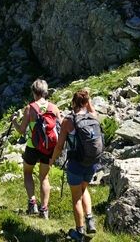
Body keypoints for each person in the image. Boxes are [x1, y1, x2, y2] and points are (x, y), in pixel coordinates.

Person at [49, 89, 99, 241]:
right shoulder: (94, 117)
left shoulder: (68, 121)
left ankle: (80, 232)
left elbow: (59, 146)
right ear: (86, 102)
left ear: (73, 103)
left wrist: (51, 161)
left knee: (76, 198)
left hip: (76, 164)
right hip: (92, 163)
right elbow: (92, 110)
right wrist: (88, 101)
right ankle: (89, 219)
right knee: (84, 189)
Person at [10, 79, 56, 219]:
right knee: (44, 177)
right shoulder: (53, 108)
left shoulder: (30, 108)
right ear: (45, 92)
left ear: (34, 92)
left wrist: (14, 122)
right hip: (48, 147)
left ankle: (32, 203)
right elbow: (58, 127)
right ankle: (44, 210)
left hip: (32, 146)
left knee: (28, 173)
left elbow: (21, 130)